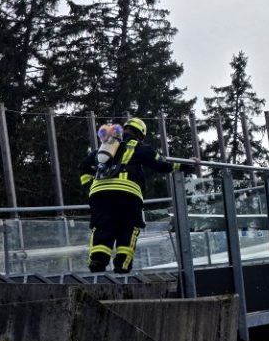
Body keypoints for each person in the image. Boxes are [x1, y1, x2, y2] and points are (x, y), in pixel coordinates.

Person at [79, 116, 192, 274]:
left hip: (100, 195)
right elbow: (161, 164)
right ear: (140, 134)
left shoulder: (107, 146)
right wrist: (187, 165)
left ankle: (97, 263)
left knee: (103, 227)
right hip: (127, 194)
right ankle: (122, 267)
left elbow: (84, 166)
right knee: (128, 228)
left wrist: (89, 186)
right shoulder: (137, 146)